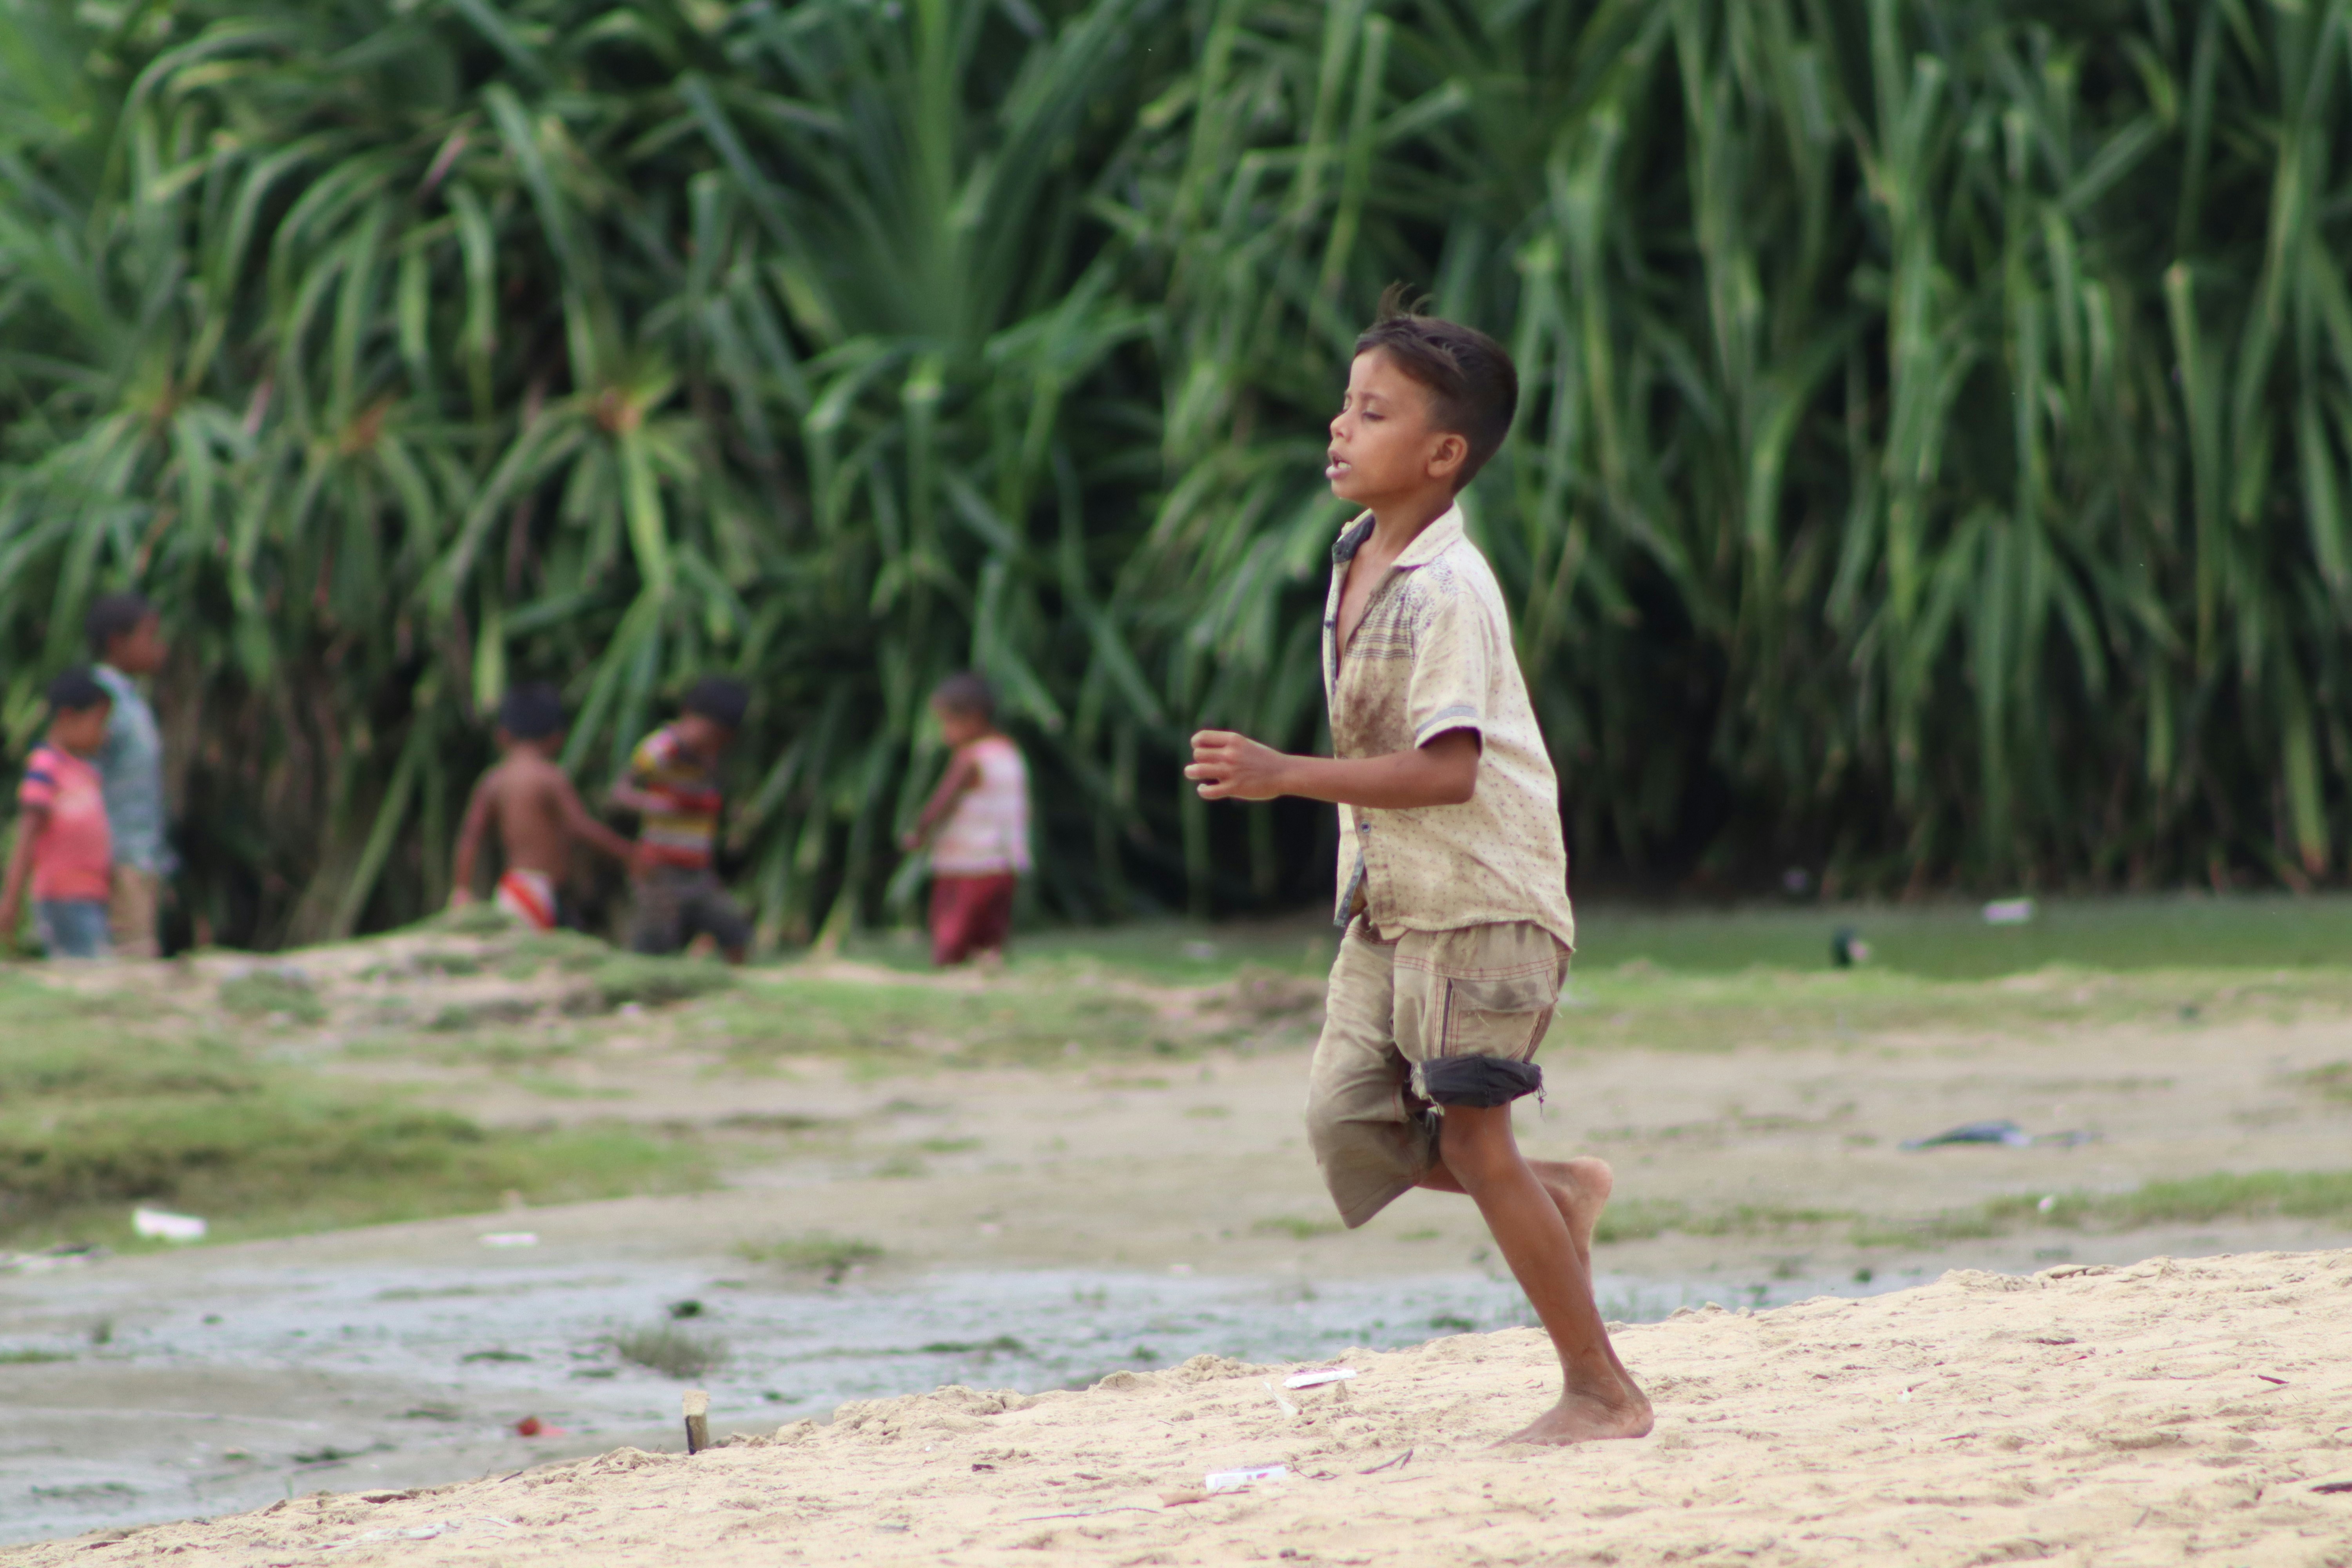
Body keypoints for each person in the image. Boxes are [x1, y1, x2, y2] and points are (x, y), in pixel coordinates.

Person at [1183, 287, 1651, 1446]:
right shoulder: (1355, 551)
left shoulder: (1448, 589)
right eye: (1345, 405)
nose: (1340, 428)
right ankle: (1562, 1195)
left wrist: (1281, 772)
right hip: (1391, 900)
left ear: (1442, 455)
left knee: (1471, 1140)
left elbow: (1448, 771)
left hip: (1482, 905)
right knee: (1348, 1124)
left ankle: (1600, 1390)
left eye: (1372, 413)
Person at [449, 684, 641, 931]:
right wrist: (628, 853)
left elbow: (471, 836)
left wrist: (462, 890)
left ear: (503, 735)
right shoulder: (550, 777)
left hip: (515, 888)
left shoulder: (494, 780)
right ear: (557, 737)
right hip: (539, 891)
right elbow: (581, 827)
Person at [611, 676, 753, 961]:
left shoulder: (709, 759)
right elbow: (620, 794)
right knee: (654, 943)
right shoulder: (661, 750)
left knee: (734, 930)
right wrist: (653, 803)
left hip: (698, 868)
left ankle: (739, 991)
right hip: (661, 868)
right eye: (711, 734)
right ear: (689, 715)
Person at [901, 673, 1031, 967]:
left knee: (952, 934)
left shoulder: (970, 759)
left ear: (973, 719)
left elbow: (942, 802)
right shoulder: (1010, 754)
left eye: (948, 722)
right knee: (990, 934)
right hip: (1004, 862)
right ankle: (989, 969)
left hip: (966, 864)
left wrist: (920, 832)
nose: (945, 734)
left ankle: (951, 974)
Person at [0, 670, 117, 960]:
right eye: (99, 722)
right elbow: (27, 835)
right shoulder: (45, 767)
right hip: (61, 894)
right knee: (87, 968)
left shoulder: (86, 773)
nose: (105, 733)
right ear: (68, 717)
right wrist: (10, 900)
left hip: (91, 893)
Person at [85, 592, 174, 957]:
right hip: (118, 857)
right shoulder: (102, 702)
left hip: (139, 854)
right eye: (149, 637)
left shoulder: (130, 700)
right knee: (132, 958)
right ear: (117, 644)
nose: (159, 647)